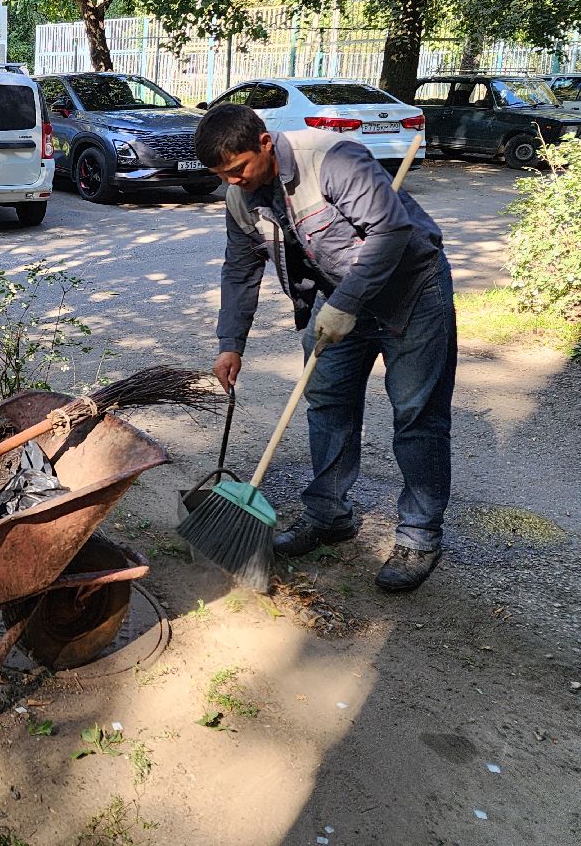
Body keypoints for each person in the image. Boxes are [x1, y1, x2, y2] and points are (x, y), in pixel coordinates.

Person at [194, 103, 456, 592]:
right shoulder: (240, 198)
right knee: (328, 403)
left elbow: (392, 229)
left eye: (238, 169)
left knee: (417, 414)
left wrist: (350, 301)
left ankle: (419, 535)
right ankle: (329, 515)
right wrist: (231, 343)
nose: (234, 182)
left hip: (410, 293)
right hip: (337, 298)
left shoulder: (332, 157)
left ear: (265, 143)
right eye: (222, 175)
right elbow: (240, 269)